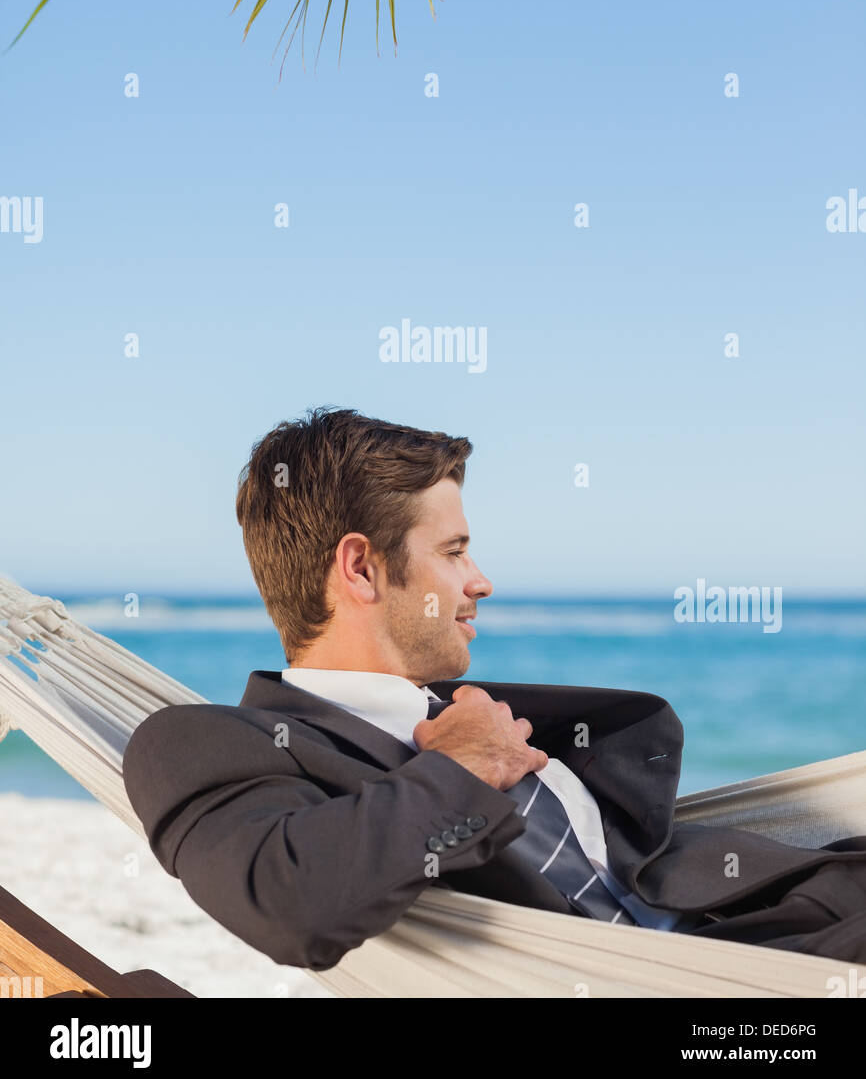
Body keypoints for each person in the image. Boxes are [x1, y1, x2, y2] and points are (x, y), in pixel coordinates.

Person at [122, 408, 866, 972]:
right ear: (361, 569)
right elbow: (287, 904)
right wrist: (460, 768)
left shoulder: (467, 710)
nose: (481, 581)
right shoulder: (200, 744)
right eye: (453, 552)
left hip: (786, 920)